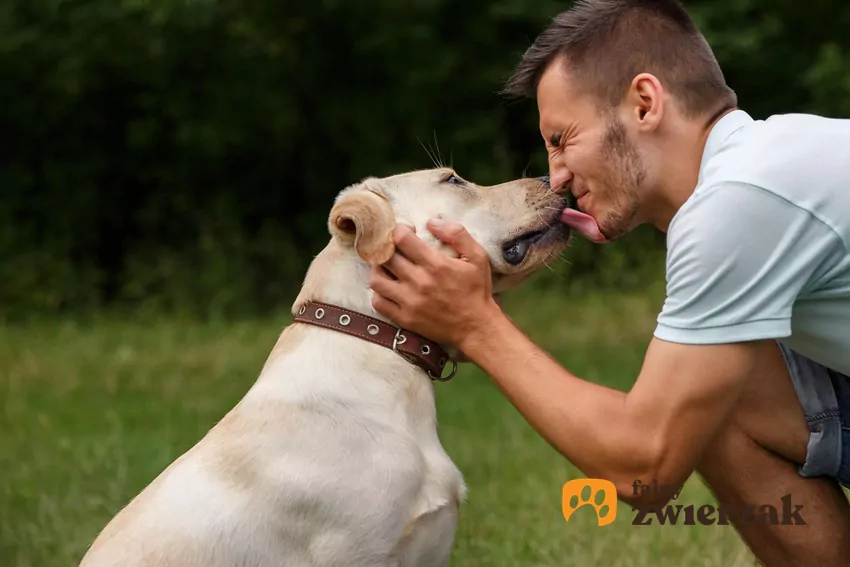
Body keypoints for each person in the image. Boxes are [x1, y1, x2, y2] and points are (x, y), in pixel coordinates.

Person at [368, 0, 850, 565]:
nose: (557, 177)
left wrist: (475, 326)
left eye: (562, 138)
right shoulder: (770, 164)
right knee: (712, 393)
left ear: (644, 103)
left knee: (688, 415)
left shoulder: (737, 203)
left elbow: (644, 464)